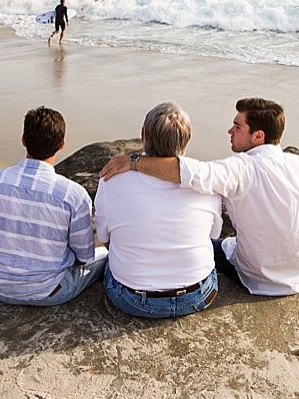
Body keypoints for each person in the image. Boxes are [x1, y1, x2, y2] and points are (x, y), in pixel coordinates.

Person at [99, 97, 299, 297]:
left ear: (258, 136)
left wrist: (133, 162)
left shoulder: (241, 169)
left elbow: (187, 171)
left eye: (237, 126)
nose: (229, 131)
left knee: (209, 245)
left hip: (262, 277)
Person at [95, 102, 223, 318]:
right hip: (197, 294)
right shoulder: (206, 182)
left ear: (142, 135)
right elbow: (213, 235)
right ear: (187, 139)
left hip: (132, 299)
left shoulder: (112, 179)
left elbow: (105, 238)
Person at [0, 106, 107, 306]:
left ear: (23, 140)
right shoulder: (73, 195)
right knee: (105, 256)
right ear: (62, 144)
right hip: (49, 291)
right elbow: (84, 257)